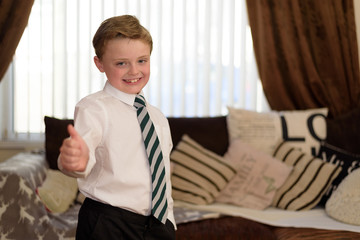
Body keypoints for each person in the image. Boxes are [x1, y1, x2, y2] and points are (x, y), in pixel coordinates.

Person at [58, 15, 176, 240]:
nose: (134, 71)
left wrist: (168, 220)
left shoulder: (158, 118)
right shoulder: (94, 108)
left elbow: (162, 176)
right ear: (99, 64)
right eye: (121, 63)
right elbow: (83, 155)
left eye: (142, 61)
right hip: (108, 223)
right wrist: (76, 162)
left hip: (157, 224)